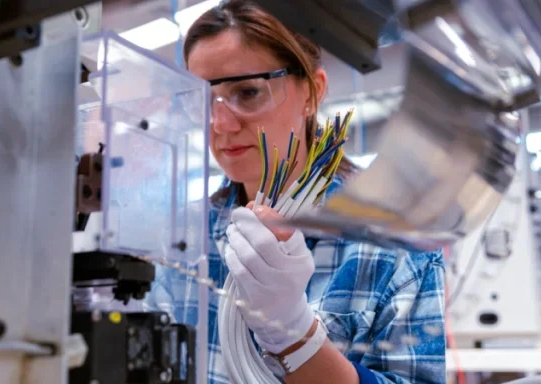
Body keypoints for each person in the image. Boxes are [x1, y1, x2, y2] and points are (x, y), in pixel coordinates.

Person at [145, 1, 446, 383]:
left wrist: (295, 335)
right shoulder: (183, 235)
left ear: (312, 92)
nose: (219, 123)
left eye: (249, 92)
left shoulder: (394, 244)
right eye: (200, 100)